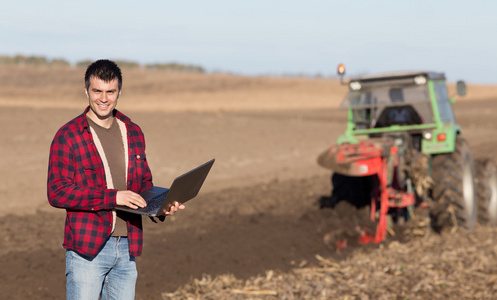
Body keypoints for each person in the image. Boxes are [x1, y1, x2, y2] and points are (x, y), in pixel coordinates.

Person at [47, 59, 184, 300]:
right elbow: (57, 191)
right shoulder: (68, 135)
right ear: (86, 91)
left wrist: (161, 207)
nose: (103, 98)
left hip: (128, 248)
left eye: (110, 91)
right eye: (97, 90)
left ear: (119, 92)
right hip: (87, 250)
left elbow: (144, 185)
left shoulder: (133, 131)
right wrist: (113, 197)